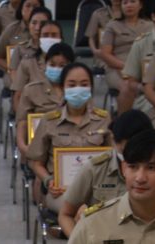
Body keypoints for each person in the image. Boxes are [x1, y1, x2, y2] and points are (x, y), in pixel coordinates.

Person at [59, 109, 155, 236]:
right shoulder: (95, 168)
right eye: (129, 147)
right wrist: (78, 243)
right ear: (115, 141)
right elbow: (66, 214)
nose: (140, 177)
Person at [27, 62, 111, 214]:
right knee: (82, 210)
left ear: (91, 88)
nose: (78, 89)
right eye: (72, 85)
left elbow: (113, 156)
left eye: (84, 84)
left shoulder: (103, 119)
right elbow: (36, 162)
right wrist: (49, 181)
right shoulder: (49, 121)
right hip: (61, 191)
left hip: (97, 188)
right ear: (62, 88)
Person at [117, 0, 155, 114]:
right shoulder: (141, 43)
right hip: (147, 98)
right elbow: (130, 81)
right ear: (153, 16)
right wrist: (146, 88)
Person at [15, 42, 74, 158]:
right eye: (52, 64)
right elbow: (22, 121)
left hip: (70, 147)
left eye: (62, 65)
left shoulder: (77, 91)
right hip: (40, 146)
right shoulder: (31, 90)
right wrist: (22, 146)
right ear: (45, 65)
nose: (56, 69)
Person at [99, 0, 153, 93]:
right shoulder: (112, 25)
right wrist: (127, 67)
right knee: (127, 86)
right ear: (121, 6)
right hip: (117, 67)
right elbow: (105, 54)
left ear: (140, 5)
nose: (129, 5)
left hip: (144, 68)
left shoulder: (150, 26)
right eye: (125, 3)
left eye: (132, 1)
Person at [11, 17, 62, 110]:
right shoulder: (27, 63)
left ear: (61, 39)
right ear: (39, 39)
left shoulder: (71, 65)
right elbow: (18, 97)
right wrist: (21, 117)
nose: (49, 38)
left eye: (54, 35)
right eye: (45, 35)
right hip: (36, 113)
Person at [0, 0, 44, 85]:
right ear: (21, 9)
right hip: (15, 75)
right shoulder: (12, 29)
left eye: (35, 6)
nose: (31, 9)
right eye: (28, 6)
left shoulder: (49, 29)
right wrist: (13, 68)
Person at [7, 7, 53, 95]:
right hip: (26, 93)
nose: (37, 28)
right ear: (28, 25)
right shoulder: (20, 48)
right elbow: (14, 73)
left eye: (43, 23)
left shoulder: (56, 48)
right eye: (34, 23)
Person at [86, 0, 122, 69]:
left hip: (123, 53)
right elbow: (91, 37)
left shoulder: (130, 12)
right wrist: (95, 51)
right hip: (103, 56)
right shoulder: (98, 14)